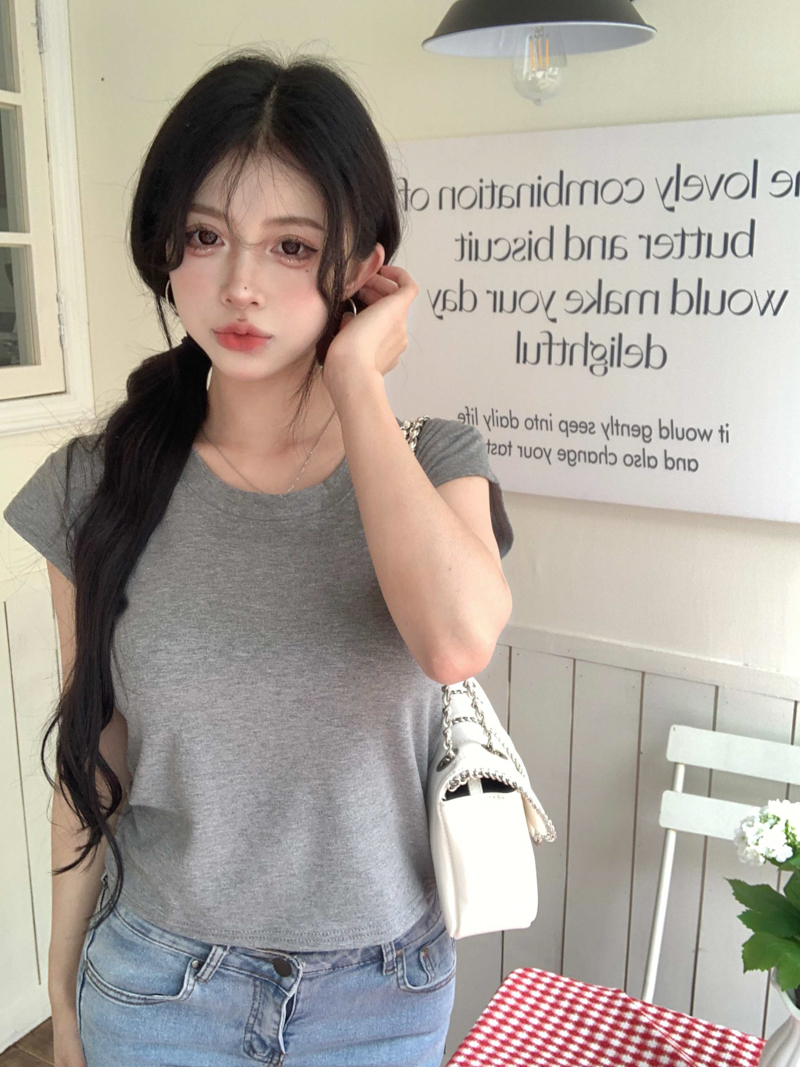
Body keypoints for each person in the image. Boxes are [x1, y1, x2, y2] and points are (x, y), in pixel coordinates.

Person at [3, 48, 514, 1067]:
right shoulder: (93, 484)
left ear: (362, 267)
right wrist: (61, 992)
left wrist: (356, 380)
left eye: (292, 246)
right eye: (205, 236)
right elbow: (91, 757)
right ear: (166, 248)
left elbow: (455, 640)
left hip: (383, 995)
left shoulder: (435, 462)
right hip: (157, 984)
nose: (239, 285)